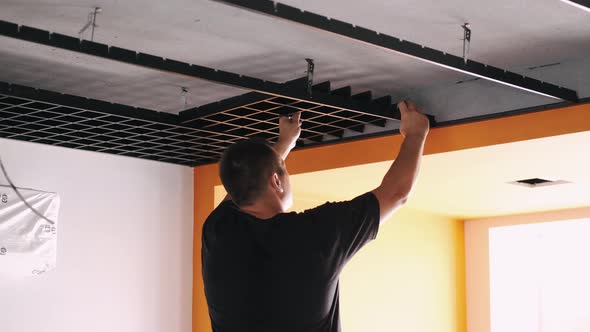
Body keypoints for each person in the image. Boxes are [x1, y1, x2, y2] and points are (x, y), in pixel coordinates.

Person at [202, 100, 430, 332]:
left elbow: (244, 184)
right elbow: (396, 193)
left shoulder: (219, 230)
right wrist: (415, 134)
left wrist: (283, 147)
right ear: (276, 180)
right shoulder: (315, 234)